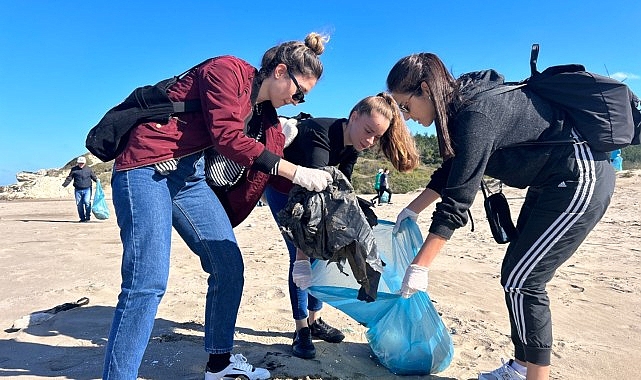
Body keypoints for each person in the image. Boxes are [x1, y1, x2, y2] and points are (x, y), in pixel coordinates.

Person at [102, 32, 333, 380]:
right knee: (147, 282)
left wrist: (316, 209)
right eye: (299, 93)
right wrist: (296, 171)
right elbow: (227, 136)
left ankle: (220, 364)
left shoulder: (267, 119)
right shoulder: (228, 70)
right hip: (145, 166)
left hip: (190, 178)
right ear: (281, 72)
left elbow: (269, 176)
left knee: (228, 267)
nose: (297, 101)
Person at [386, 53, 615, 380]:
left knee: (525, 280)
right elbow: (454, 169)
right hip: (551, 182)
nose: (405, 118)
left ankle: (535, 375)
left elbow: (458, 199)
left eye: (404, 107)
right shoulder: (460, 107)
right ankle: (521, 368)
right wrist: (412, 210)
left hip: (580, 177)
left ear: (424, 89)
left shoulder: (474, 113)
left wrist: (419, 266)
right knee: (515, 274)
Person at [264, 93, 420, 359]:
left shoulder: (354, 145)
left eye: (377, 137)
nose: (370, 141)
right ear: (354, 116)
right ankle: (301, 328)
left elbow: (341, 191)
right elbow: (310, 205)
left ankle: (315, 320)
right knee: (302, 259)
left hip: (314, 191)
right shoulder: (319, 134)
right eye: (368, 131)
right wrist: (303, 257)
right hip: (285, 192)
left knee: (326, 253)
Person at [62, 156, 97, 222]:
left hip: (87, 189)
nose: (81, 164)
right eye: (80, 163)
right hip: (78, 190)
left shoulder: (88, 169)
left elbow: (93, 177)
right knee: (79, 204)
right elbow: (69, 178)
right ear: (77, 163)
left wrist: (97, 181)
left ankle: (88, 218)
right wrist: (64, 185)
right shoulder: (74, 169)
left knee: (87, 202)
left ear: (85, 163)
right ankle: (82, 218)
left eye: (82, 163)